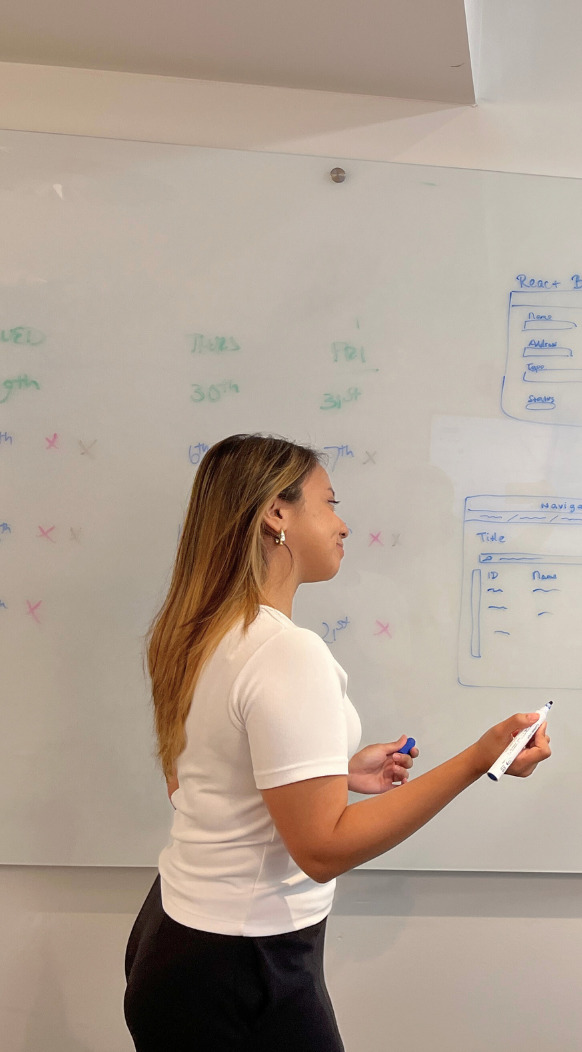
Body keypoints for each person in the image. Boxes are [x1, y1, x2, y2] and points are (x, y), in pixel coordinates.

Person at [124, 434, 551, 1051]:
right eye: (329, 503)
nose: (343, 524)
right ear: (277, 513)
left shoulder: (200, 631)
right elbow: (322, 851)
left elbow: (198, 778)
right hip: (242, 963)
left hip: (176, 937)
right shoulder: (286, 652)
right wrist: (478, 759)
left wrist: (334, 773)